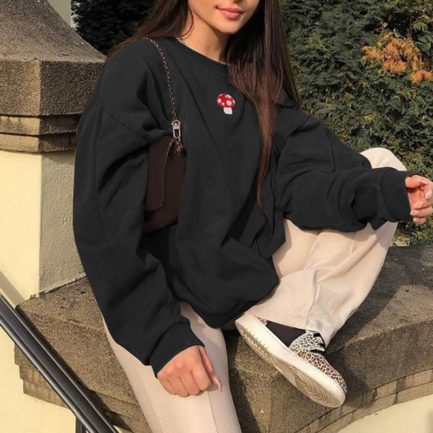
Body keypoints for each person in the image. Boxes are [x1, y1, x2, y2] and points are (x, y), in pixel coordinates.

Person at [72, 0, 433, 431]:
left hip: (249, 280)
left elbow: (306, 185)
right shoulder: (141, 67)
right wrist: (162, 337)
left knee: (382, 169)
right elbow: (103, 219)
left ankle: (290, 322)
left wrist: (393, 193)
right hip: (173, 300)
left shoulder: (258, 83)